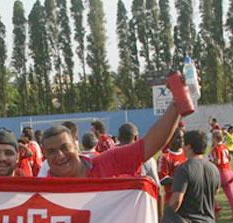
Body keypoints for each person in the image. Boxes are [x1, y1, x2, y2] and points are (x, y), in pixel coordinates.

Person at [43, 72, 194, 179]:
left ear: (76, 146)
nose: (59, 156)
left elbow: (149, 145)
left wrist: (176, 104)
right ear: (45, 156)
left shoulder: (109, 162)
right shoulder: (41, 191)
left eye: (64, 147)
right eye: (51, 151)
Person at [159, 129, 187, 223]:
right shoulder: (165, 157)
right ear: (170, 139)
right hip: (172, 200)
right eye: (177, 138)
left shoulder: (187, 154)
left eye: (182, 138)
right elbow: (162, 179)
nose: (180, 141)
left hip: (188, 200)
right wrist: (181, 180)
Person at [210, 130, 233, 221]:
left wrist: (210, 163)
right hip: (229, 171)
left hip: (221, 173)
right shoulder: (225, 146)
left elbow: (217, 161)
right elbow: (229, 158)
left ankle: (216, 210)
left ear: (215, 138)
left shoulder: (216, 148)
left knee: (209, 193)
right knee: (231, 195)